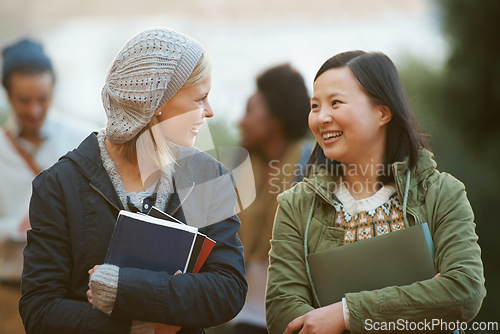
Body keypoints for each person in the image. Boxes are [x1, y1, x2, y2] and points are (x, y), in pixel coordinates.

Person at [19, 28, 247, 334]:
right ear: (157, 102)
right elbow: (39, 309)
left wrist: (127, 290)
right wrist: (136, 327)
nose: (209, 111)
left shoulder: (208, 177)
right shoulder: (59, 185)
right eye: (200, 98)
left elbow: (228, 290)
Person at [265, 51, 486, 334]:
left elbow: (464, 291)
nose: (321, 118)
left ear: (382, 112)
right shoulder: (296, 205)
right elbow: (283, 312)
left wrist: (345, 314)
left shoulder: (442, 192)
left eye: (336, 103)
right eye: (315, 106)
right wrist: (424, 301)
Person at [0, 39, 91, 333]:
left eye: (43, 98)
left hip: (72, 300)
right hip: (9, 296)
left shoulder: (81, 141)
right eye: (23, 100)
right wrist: (17, 225)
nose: (35, 110)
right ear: (7, 94)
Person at [233, 64, 311, 334]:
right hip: (243, 316)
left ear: (276, 119)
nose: (241, 121)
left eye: (250, 111)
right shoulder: (244, 170)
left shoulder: (311, 170)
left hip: (293, 320)